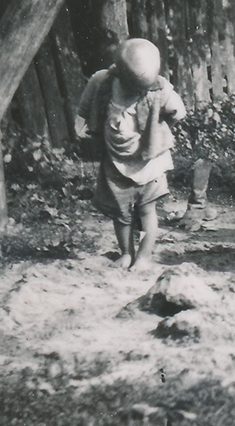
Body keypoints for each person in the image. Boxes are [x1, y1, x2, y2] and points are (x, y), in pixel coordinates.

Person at [75, 38, 187, 270]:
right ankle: (126, 253)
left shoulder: (160, 89)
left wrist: (160, 132)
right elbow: (85, 110)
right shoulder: (101, 82)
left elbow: (177, 111)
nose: (139, 91)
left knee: (147, 210)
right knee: (121, 212)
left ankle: (144, 256)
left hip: (150, 162)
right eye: (134, 87)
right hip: (116, 161)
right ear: (119, 74)